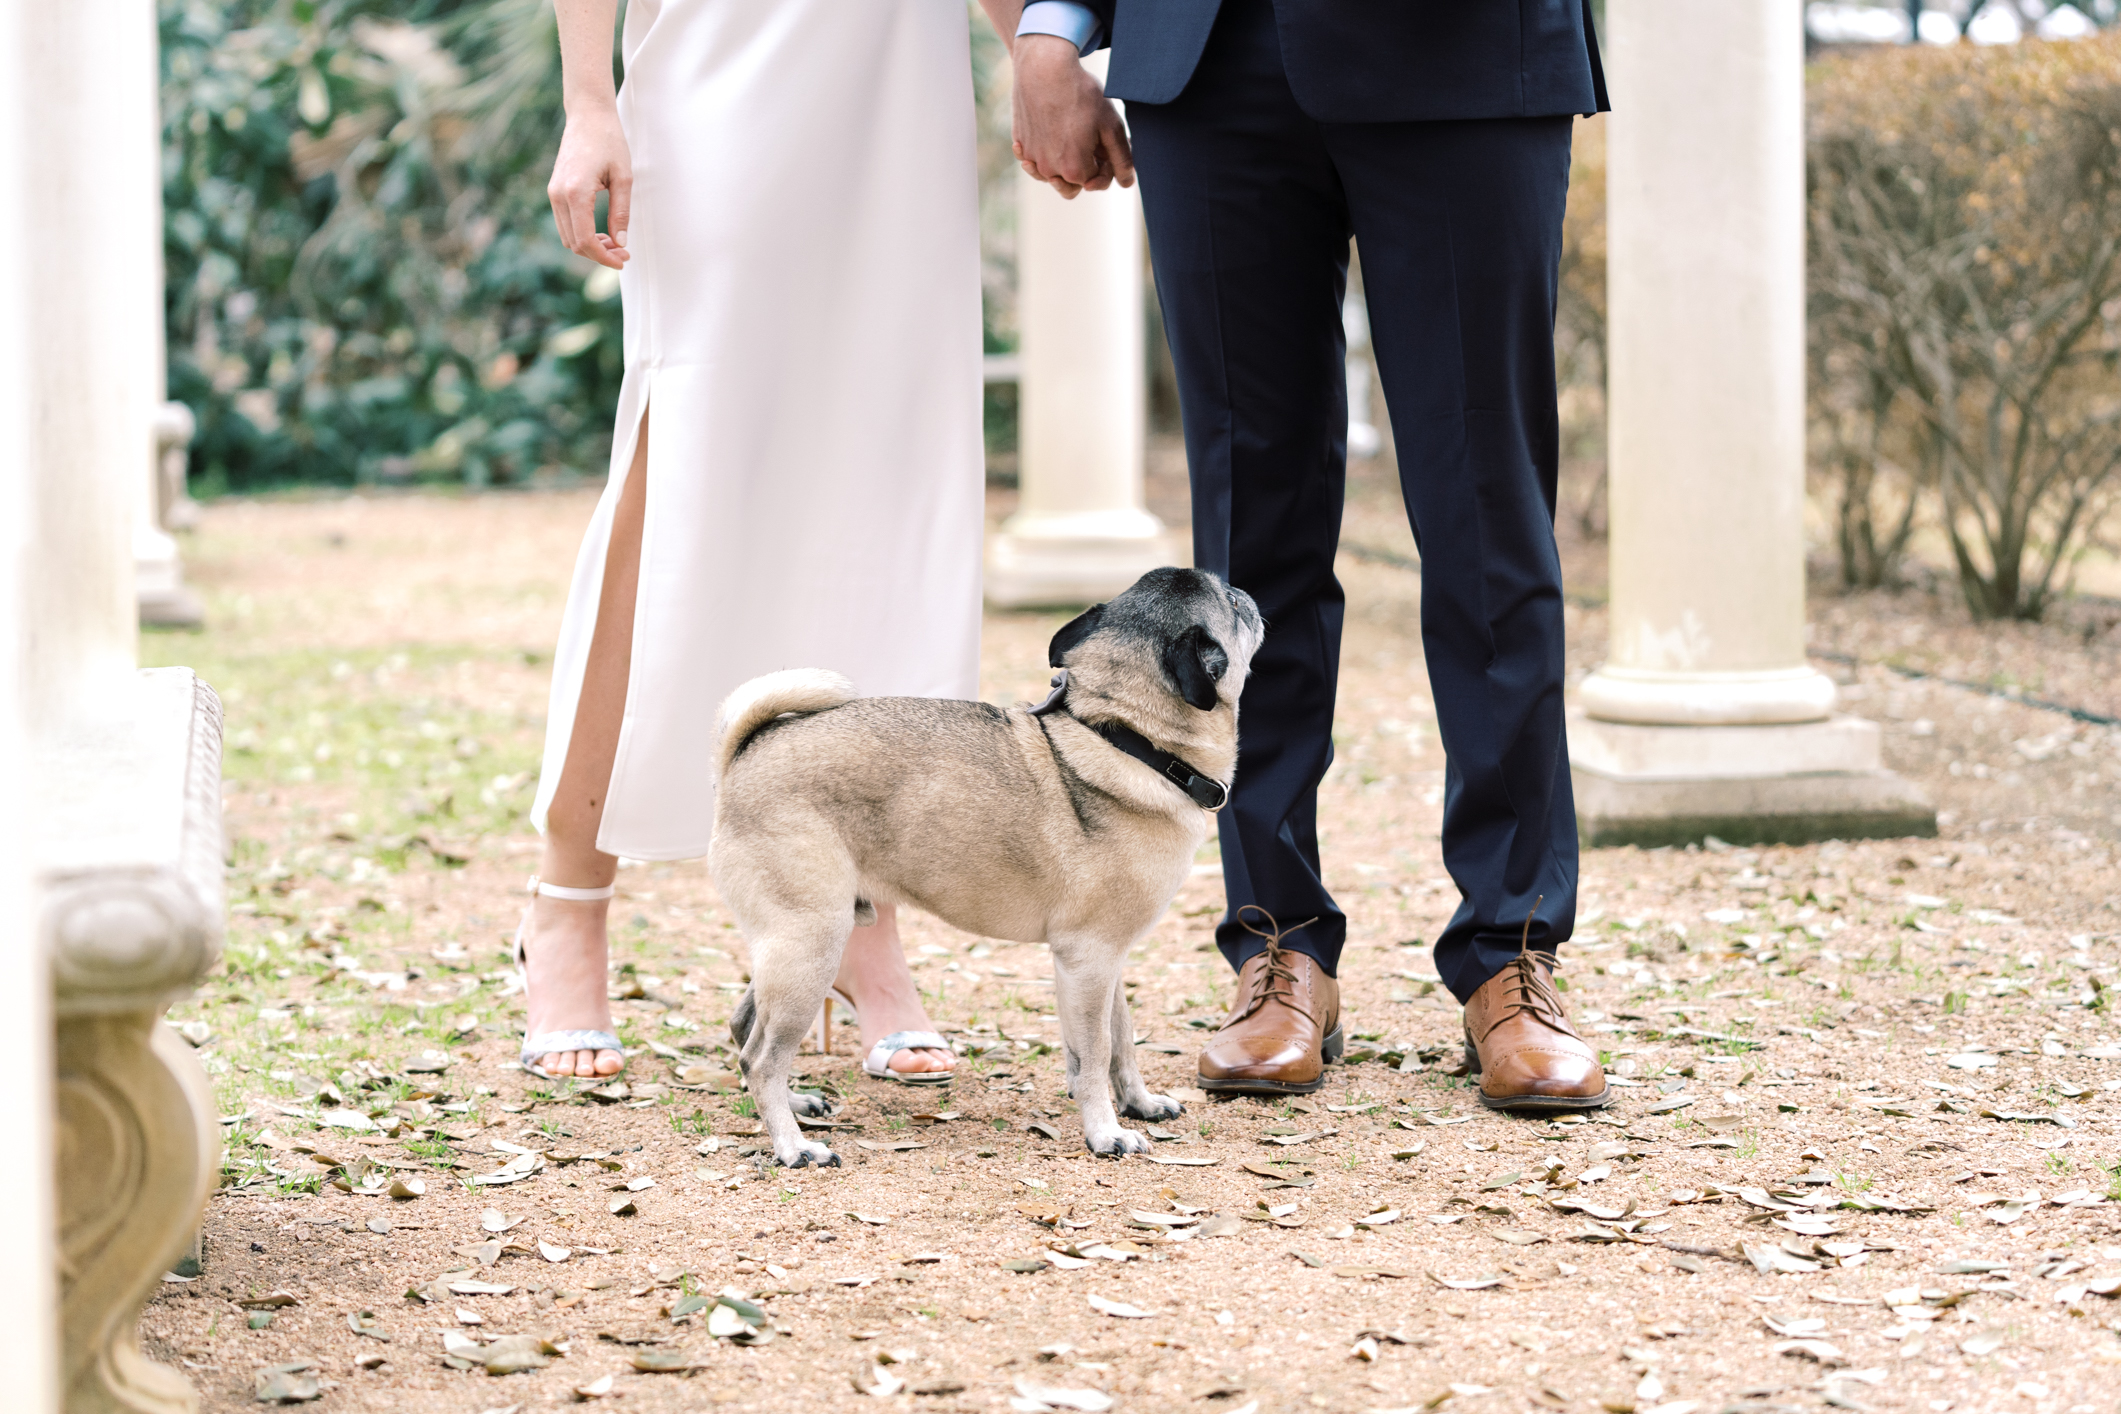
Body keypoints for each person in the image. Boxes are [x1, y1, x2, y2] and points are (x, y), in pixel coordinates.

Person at [1006, 0, 1614, 1110]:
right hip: (1210, 53)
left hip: (1468, 56)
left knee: (1490, 520)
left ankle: (1511, 954)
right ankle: (1277, 947)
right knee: (1249, 539)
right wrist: (1054, 23)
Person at [518, 0, 1023, 1084]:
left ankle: (859, 918)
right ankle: (568, 898)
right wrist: (588, 99)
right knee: (681, 483)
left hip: (896, 95)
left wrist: (1046, 46)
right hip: (715, 83)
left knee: (887, 491)